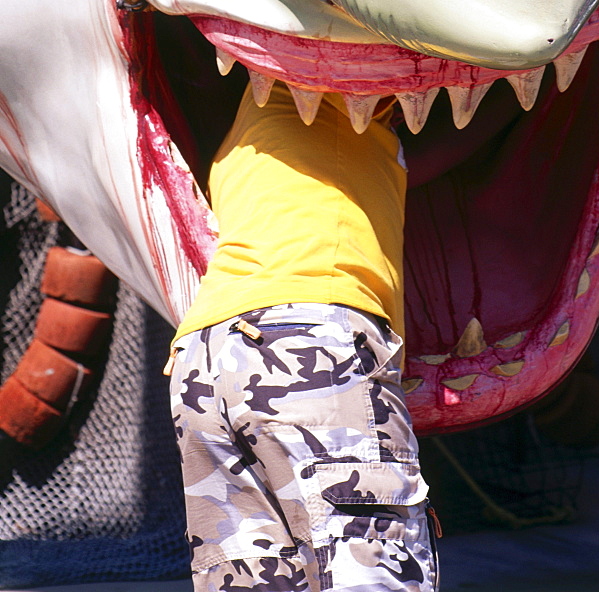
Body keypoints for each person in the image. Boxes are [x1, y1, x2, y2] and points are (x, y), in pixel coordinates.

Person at [169, 82, 438, 592]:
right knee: (372, 570)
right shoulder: (324, 86)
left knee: (256, 579)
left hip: (204, 358)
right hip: (307, 342)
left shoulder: (242, 141)